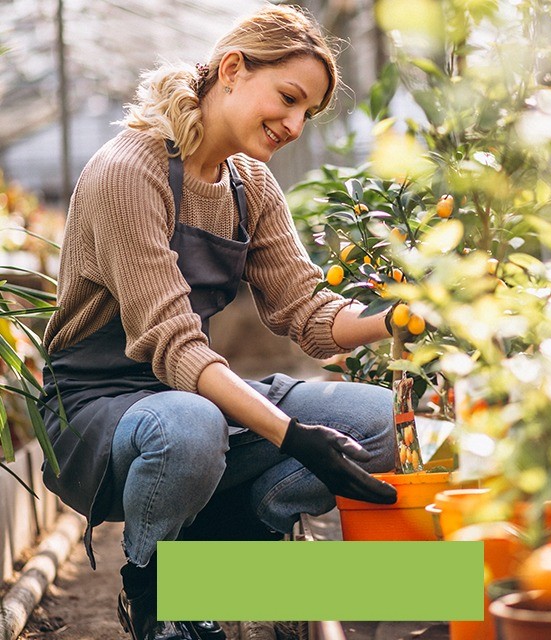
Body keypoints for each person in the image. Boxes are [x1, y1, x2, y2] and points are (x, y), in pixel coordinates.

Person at [39, 5, 398, 640]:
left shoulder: (250, 185)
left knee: (373, 419)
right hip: (100, 406)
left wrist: (398, 318)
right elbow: (176, 346)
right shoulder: (131, 172)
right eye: (287, 99)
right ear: (232, 69)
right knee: (191, 425)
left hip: (187, 393)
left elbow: (308, 313)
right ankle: (156, 593)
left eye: (306, 114)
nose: (293, 124)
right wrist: (292, 435)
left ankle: (221, 552)